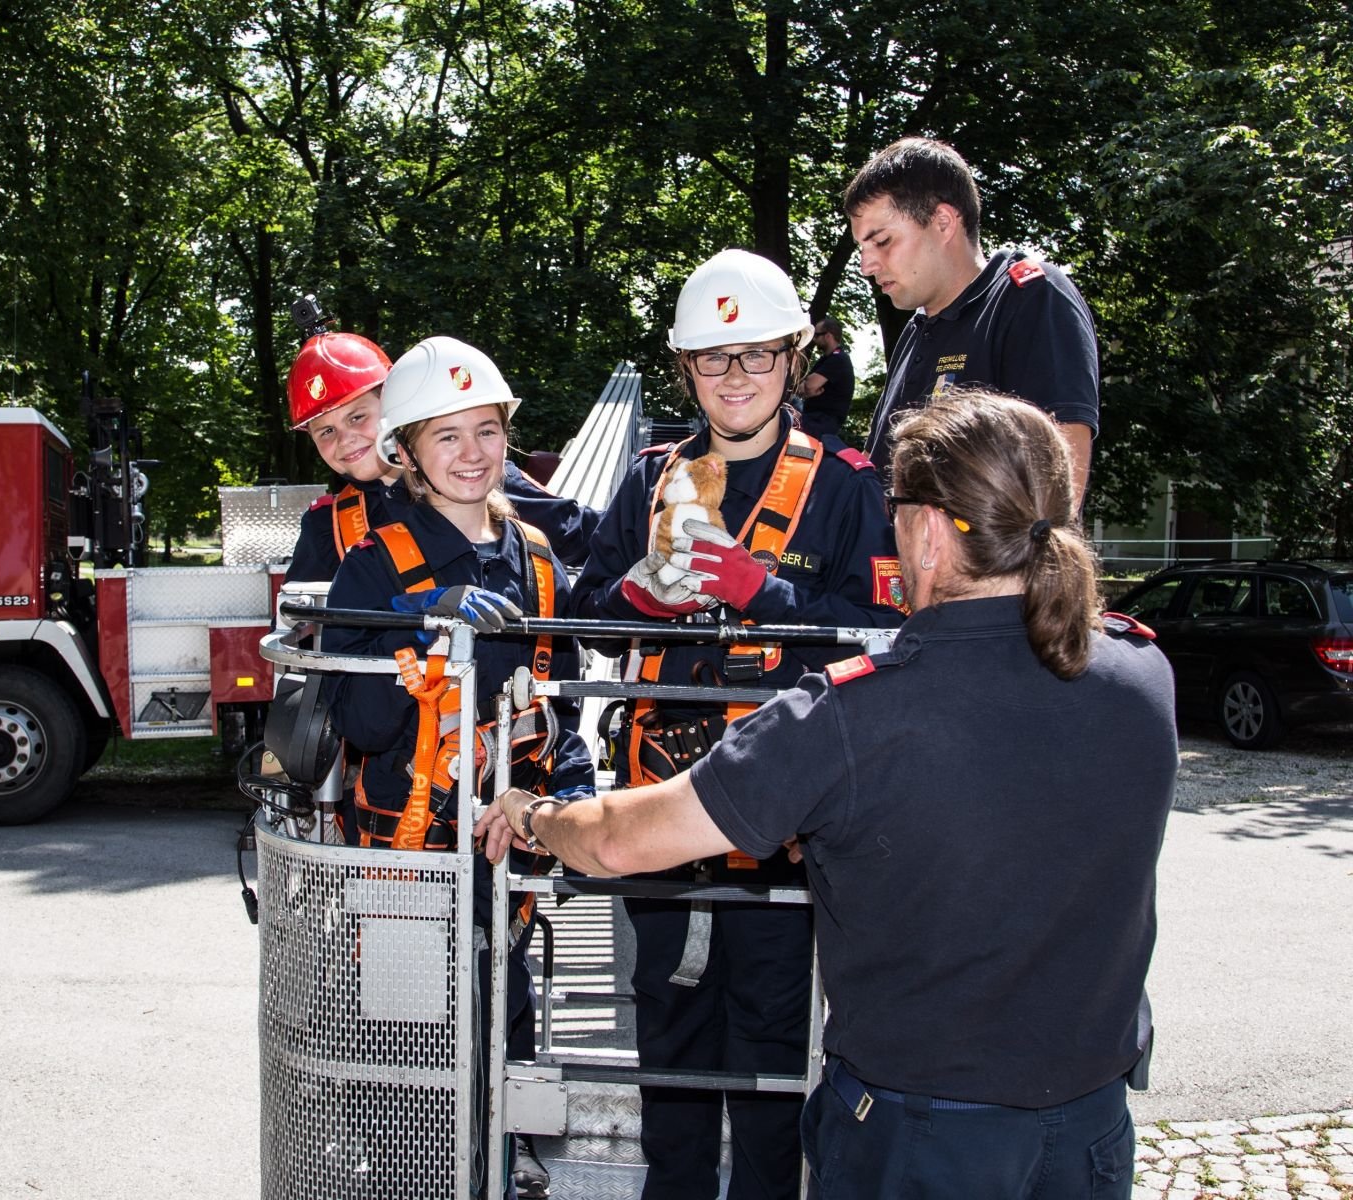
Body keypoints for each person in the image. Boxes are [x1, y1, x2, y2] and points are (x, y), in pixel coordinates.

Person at [480, 389, 1178, 1200]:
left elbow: (616, 842)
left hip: (919, 1133)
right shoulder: (1143, 675)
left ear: (926, 532)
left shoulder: (853, 717)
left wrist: (532, 811)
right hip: (1091, 1125)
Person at [569, 248, 906, 1200]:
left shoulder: (845, 485)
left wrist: (771, 594)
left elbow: (888, 633)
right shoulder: (650, 478)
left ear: (793, 358)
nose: (735, 376)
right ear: (686, 369)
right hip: (662, 796)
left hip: (786, 813)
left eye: (756, 354)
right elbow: (585, 610)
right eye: (713, 358)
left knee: (768, 1037)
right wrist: (635, 602)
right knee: (669, 1027)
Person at [321, 335, 594, 1200]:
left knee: (504, 1028)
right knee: (407, 1067)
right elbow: (362, 725)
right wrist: (421, 624)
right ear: (404, 452)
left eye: (488, 430)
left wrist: (570, 801)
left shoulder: (538, 563)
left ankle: (504, 1165)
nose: (473, 454)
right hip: (408, 863)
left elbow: (555, 711)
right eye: (447, 436)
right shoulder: (371, 569)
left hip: (503, 854)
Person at [845, 137, 1099, 506]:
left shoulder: (1029, 298)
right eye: (862, 248)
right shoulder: (918, 329)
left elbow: (1060, 481)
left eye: (882, 241)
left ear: (943, 222)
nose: (866, 266)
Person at [283, 326, 598, 584]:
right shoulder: (328, 526)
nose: (345, 440)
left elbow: (589, 537)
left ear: (392, 405)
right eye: (326, 431)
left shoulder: (480, 476)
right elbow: (297, 624)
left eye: (357, 417)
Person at [794, 317, 855, 438]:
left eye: (817, 335)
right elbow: (803, 387)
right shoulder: (826, 359)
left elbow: (809, 385)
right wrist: (808, 387)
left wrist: (808, 386)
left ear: (828, 336)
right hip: (814, 418)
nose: (814, 339)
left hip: (821, 421)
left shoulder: (839, 359)